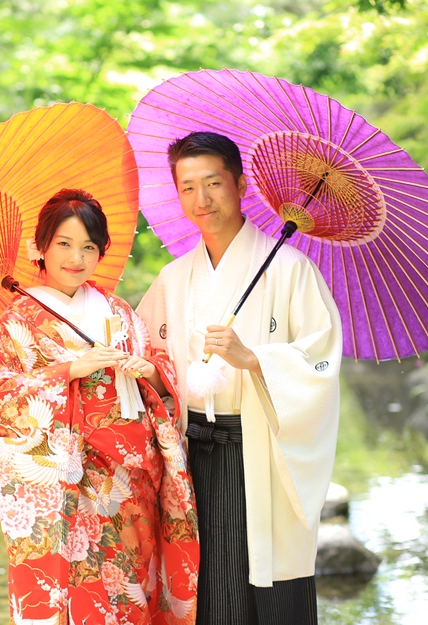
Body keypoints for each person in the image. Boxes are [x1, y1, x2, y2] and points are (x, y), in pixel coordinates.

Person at [137, 132, 343, 625]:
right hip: (191, 457)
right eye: (188, 187)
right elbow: (149, 360)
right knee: (207, 591)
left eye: (213, 183)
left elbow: (321, 362)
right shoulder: (172, 279)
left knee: (268, 590)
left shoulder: (290, 270)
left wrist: (254, 359)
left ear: (241, 185)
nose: (201, 199)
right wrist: (150, 375)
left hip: (261, 452)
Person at [0, 188, 199, 625]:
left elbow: (162, 374)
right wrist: (71, 370)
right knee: (82, 596)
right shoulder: (17, 321)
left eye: (89, 247)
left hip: (133, 480)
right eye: (64, 243)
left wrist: (150, 372)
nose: (76, 258)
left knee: (133, 592)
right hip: (69, 482)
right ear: (40, 247)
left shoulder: (118, 310)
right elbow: (0, 396)